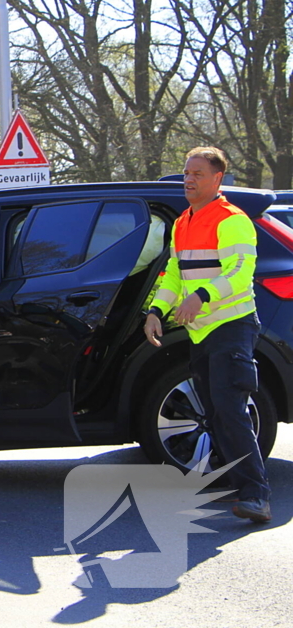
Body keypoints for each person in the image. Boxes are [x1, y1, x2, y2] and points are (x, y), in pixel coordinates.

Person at [144, 146, 271, 523]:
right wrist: (155, 311)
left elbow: (240, 273)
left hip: (231, 326)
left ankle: (256, 496)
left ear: (217, 179)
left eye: (197, 174)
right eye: (186, 172)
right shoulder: (183, 222)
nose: (189, 179)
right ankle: (236, 485)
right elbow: (173, 273)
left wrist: (201, 296)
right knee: (214, 413)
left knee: (230, 411)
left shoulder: (232, 220)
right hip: (200, 333)